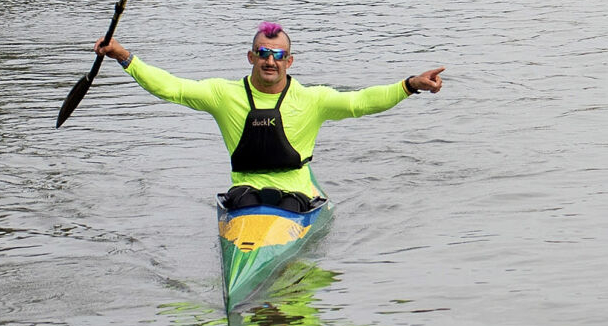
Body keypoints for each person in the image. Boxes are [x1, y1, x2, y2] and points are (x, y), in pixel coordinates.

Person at [94, 22, 444, 211]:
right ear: (251, 56)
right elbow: (172, 88)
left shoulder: (310, 99)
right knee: (243, 199)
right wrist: (125, 57)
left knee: (291, 202)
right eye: (263, 52)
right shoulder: (224, 94)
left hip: (296, 198)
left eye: (278, 54)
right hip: (245, 196)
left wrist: (410, 85)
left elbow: (361, 102)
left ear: (289, 62)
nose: (270, 61)